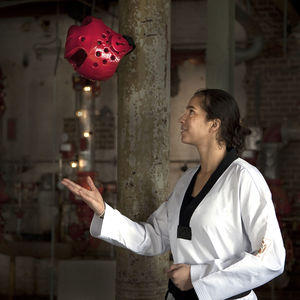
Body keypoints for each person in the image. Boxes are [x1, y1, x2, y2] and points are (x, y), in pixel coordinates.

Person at [61, 89, 285, 300]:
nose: (181, 118)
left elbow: (271, 258)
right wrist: (103, 212)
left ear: (214, 124)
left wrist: (196, 275)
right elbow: (154, 237)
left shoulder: (244, 178)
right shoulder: (187, 180)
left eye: (191, 112)